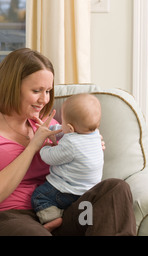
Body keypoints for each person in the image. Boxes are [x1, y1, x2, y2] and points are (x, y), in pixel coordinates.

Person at [0, 48, 136, 236]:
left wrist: (90, 144)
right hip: (6, 217)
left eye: (48, 91)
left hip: (58, 212)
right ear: (11, 87)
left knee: (116, 188)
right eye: (36, 91)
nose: (44, 99)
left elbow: (76, 154)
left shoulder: (51, 126)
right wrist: (32, 147)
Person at [31, 93, 104, 232]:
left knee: (39, 197)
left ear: (70, 128)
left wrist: (43, 145)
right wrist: (50, 130)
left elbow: (49, 157)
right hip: (88, 191)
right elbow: (65, 131)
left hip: (67, 190)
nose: (60, 124)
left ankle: (53, 218)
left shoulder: (71, 144)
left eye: (63, 122)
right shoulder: (94, 134)